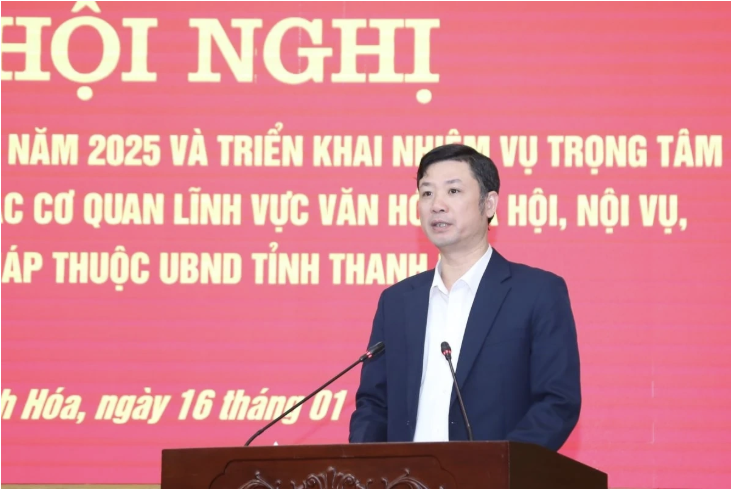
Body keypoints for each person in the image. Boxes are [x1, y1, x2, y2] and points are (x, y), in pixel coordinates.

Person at [348, 144, 580, 451]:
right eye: (427, 193)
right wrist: (366, 466)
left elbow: (557, 402)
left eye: (453, 191)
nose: (436, 205)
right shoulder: (396, 302)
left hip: (494, 475)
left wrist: (498, 467)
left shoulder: (536, 293)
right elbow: (373, 404)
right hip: (404, 475)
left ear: (489, 204)